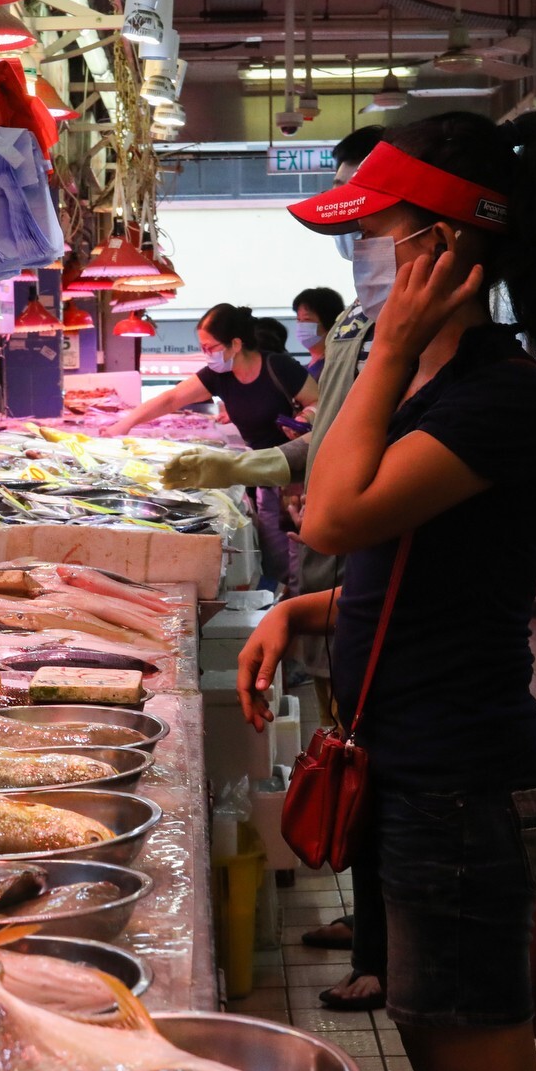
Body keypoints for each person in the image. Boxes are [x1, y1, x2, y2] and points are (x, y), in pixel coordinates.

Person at [240, 109, 536, 1071]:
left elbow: (336, 509)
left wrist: (391, 343)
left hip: (460, 787)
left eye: (372, 233)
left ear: (438, 244)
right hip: (418, 774)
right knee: (434, 1048)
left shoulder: (496, 395)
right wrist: (301, 616)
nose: (361, 258)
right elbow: (423, 570)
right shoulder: (441, 386)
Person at [162, 124, 388, 1011]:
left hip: (386, 597)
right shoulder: (363, 336)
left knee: (383, 757)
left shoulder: (429, 357)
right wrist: (245, 466)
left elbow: (333, 474)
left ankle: (384, 947)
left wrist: (262, 471)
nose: (357, 241)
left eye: (372, 219)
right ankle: (366, 921)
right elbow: (320, 453)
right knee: (352, 741)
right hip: (346, 587)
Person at [104, 303, 318, 586]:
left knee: (305, 556)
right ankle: (283, 603)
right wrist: (125, 424)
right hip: (263, 476)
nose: (206, 354)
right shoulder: (219, 375)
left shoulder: (278, 366)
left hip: (300, 475)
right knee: (277, 560)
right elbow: (172, 398)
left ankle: (305, 608)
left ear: (236, 343)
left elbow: (322, 402)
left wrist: (306, 417)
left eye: (210, 347)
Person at [293, 286, 345, 378]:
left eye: (306, 319)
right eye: (298, 319)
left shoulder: (336, 368)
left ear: (329, 323)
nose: (300, 324)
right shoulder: (303, 370)